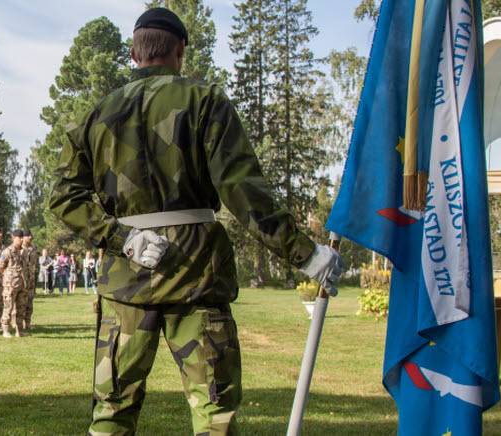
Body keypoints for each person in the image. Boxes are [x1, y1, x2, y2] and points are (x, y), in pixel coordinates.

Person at [47, 9, 345, 435]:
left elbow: (63, 196)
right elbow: (242, 190)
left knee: (112, 411)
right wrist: (303, 252)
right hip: (197, 274)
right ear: (180, 50)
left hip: (128, 281)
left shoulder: (97, 115)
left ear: (134, 53)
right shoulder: (205, 101)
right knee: (214, 414)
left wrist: (121, 238)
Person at [0, 229, 28, 338]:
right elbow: (1, 267)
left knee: (21, 308)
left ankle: (19, 330)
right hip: (11, 285)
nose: (21, 240)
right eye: (19, 238)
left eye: (21, 238)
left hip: (22, 284)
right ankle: (6, 329)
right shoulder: (7, 251)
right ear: (13, 238)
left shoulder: (24, 251)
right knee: (8, 307)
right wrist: (8, 278)